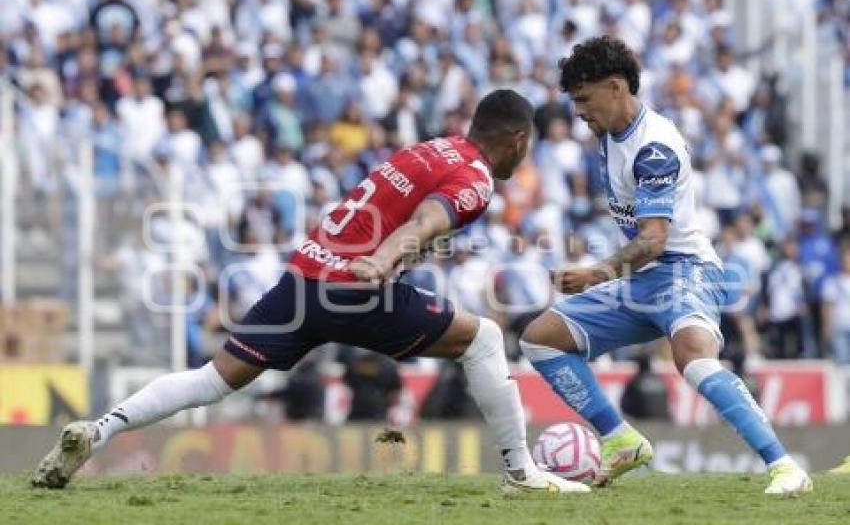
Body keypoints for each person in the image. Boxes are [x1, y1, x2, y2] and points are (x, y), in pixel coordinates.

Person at [33, 90, 587, 494]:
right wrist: (388, 257)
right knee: (486, 338)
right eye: (527, 146)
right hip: (354, 286)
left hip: (304, 275)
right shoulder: (475, 177)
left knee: (212, 379)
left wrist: (392, 255)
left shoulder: (432, 149)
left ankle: (99, 429)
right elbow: (425, 221)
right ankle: (522, 475)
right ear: (518, 139)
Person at [518, 37, 811, 496]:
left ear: (616, 87)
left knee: (692, 358)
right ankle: (621, 440)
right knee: (541, 340)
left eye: (583, 98)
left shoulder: (653, 146)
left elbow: (654, 239)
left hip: (685, 268)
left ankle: (785, 467)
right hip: (643, 278)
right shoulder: (610, 133)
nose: (578, 110)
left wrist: (596, 273)